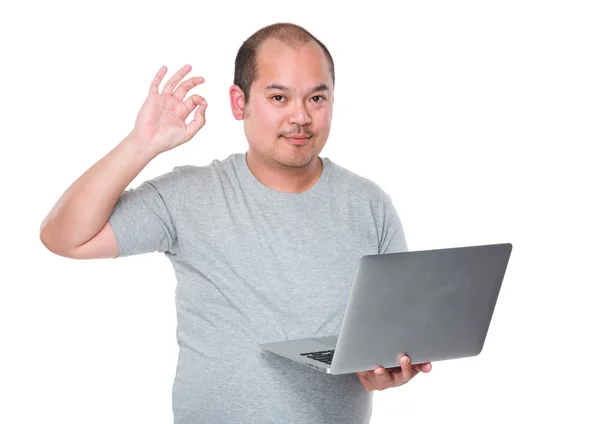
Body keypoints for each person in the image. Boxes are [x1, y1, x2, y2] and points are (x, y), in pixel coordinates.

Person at [40, 22, 432, 424]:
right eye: (279, 97)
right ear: (238, 102)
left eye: (317, 97)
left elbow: (392, 342)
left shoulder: (370, 205)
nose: (301, 116)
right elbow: (64, 237)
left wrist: (386, 371)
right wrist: (140, 145)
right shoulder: (188, 194)